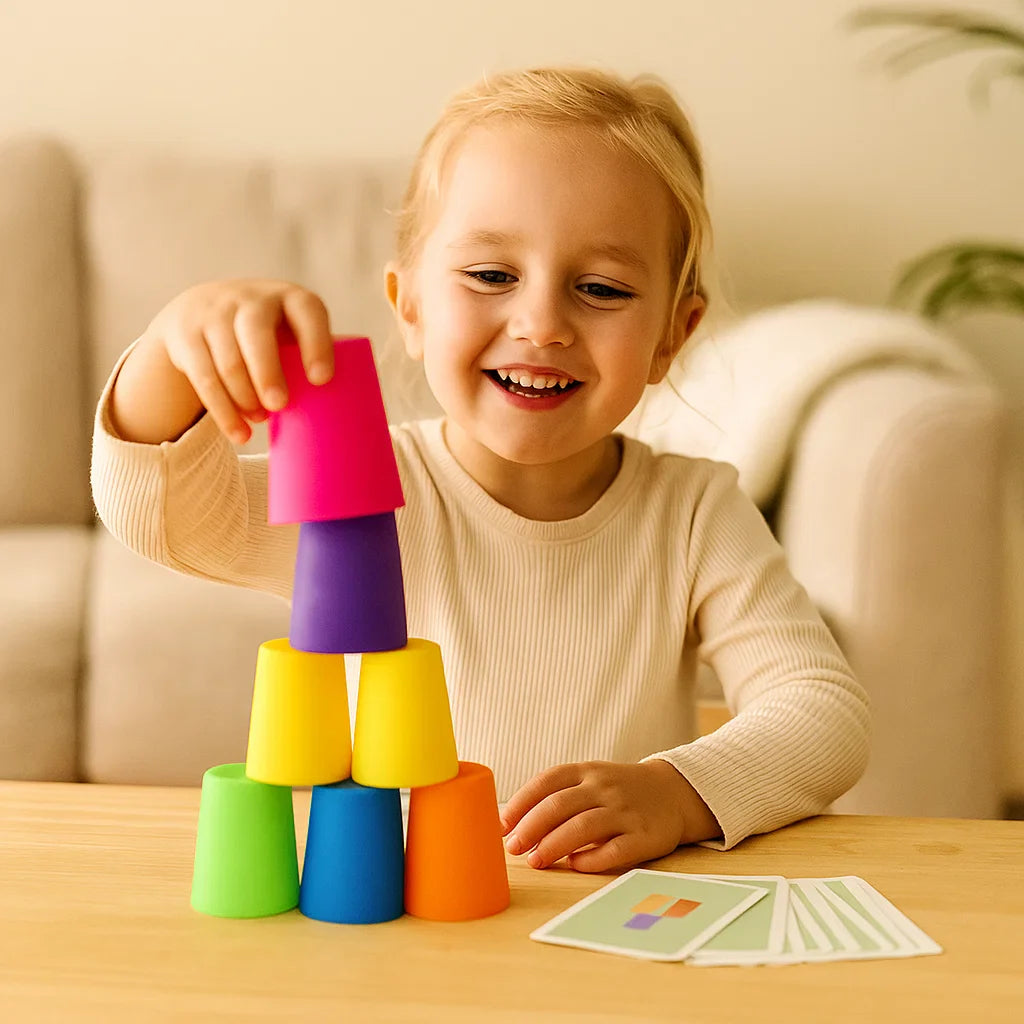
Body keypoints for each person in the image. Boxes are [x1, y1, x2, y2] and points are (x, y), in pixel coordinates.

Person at [91, 66, 870, 874]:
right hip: (394, 912)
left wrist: (677, 792)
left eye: (601, 288)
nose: (541, 324)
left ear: (673, 336)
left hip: (594, 917)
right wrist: (170, 349)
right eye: (492, 276)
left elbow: (822, 710)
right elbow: (163, 518)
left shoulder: (696, 512)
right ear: (411, 308)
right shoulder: (370, 484)